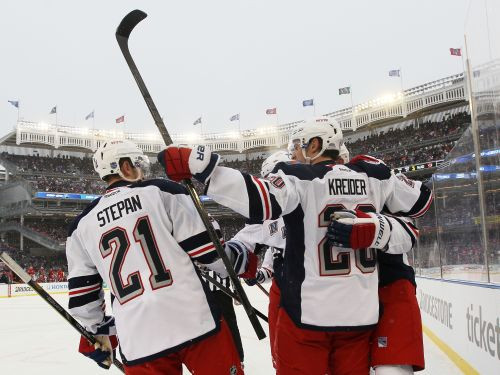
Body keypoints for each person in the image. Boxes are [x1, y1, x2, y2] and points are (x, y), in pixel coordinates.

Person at [158, 116, 432, 375]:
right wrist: (377, 224)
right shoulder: (374, 172)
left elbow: (259, 199)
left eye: (299, 146)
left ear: (315, 144)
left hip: (308, 316)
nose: (295, 154)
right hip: (360, 316)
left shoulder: (299, 177)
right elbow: (421, 202)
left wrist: (203, 168)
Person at [66, 139, 252, 374]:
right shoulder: (163, 191)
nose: (143, 171)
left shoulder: (80, 226)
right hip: (194, 320)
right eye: (138, 164)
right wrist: (243, 259)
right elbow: (211, 255)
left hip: (139, 340)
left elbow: (83, 300)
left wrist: (99, 331)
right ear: (125, 167)